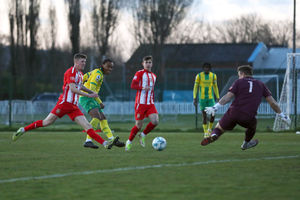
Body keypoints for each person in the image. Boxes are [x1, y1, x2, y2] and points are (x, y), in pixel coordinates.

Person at [12, 53, 119, 149]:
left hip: (73, 106)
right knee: (46, 122)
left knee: (88, 126)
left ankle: (105, 143)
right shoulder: (70, 72)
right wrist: (89, 95)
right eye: (82, 61)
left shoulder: (80, 74)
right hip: (64, 104)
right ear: (76, 62)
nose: (84, 64)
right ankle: (23, 130)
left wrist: (91, 92)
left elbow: (80, 86)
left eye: (85, 62)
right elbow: (73, 89)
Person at [201, 65, 291, 150]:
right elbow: (273, 103)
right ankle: (246, 143)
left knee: (219, 128)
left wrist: (215, 107)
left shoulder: (238, 82)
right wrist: (282, 115)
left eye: (239, 75)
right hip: (248, 116)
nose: (239, 77)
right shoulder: (261, 84)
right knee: (253, 125)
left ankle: (214, 135)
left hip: (233, 113)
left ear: (242, 74)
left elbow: (228, 97)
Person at [79, 58, 125, 149]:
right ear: (102, 65)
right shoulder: (98, 75)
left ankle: (112, 139)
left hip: (90, 98)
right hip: (87, 98)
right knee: (96, 117)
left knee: (103, 118)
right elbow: (92, 89)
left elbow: (84, 76)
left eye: (111, 67)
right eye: (108, 66)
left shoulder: (96, 72)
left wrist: (79, 83)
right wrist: (100, 102)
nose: (110, 69)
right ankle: (88, 140)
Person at [125, 55, 159, 151]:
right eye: (146, 62)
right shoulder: (139, 73)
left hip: (150, 103)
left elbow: (151, 91)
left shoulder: (154, 76)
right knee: (138, 126)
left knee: (155, 121)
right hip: (140, 104)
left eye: (150, 62)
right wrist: (143, 88)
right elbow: (133, 85)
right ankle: (129, 142)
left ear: (152, 64)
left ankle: (143, 135)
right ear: (143, 64)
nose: (148, 64)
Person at [193, 63, 220, 138]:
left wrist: (218, 97)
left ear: (210, 69)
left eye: (208, 68)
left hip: (210, 98)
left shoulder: (213, 76)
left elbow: (215, 86)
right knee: (204, 116)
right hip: (202, 99)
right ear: (203, 68)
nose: (206, 69)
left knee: (213, 114)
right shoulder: (199, 76)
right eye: (205, 68)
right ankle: (205, 133)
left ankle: (209, 129)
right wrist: (194, 98)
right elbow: (195, 87)